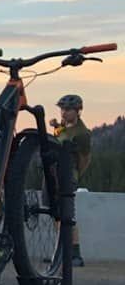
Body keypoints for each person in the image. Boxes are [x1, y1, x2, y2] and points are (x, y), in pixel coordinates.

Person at [50, 93, 92, 267]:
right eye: (62, 109)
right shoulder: (65, 127)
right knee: (56, 214)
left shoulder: (82, 133)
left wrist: (75, 175)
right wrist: (56, 127)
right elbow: (59, 136)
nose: (64, 112)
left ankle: (75, 253)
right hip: (55, 173)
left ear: (77, 111)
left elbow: (84, 158)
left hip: (68, 175)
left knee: (68, 215)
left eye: (67, 109)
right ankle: (61, 251)